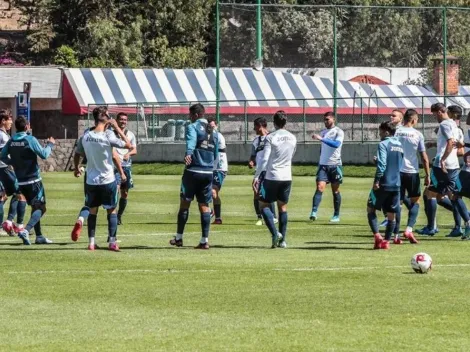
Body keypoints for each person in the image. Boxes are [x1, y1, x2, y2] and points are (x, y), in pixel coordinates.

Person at [74, 106, 131, 251]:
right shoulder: (108, 135)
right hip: (107, 179)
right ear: (104, 116)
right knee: (111, 210)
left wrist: (76, 168)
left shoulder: (86, 135)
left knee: (92, 211)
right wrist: (117, 128)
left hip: (91, 180)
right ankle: (112, 242)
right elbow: (128, 145)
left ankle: (91, 243)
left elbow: (78, 153)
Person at [170, 103, 218, 249]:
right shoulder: (213, 130)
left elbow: (191, 141)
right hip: (208, 172)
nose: (190, 118)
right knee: (204, 206)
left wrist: (189, 153)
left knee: (185, 204)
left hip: (193, 171)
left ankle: (179, 238)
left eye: (191, 115)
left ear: (196, 115)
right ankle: (204, 240)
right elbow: (215, 151)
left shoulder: (193, 127)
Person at [0, 116, 55, 245]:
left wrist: (13, 162)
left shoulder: (12, 140)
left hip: (20, 181)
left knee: (35, 207)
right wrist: (50, 144)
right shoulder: (30, 139)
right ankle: (26, 229)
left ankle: (39, 236)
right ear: (26, 126)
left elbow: (2, 156)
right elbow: (44, 154)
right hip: (34, 180)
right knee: (41, 208)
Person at [424, 103, 470, 239]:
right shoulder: (458, 128)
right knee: (453, 195)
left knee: (430, 194)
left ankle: (431, 227)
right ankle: (461, 224)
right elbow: (455, 145)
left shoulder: (446, 125)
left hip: (446, 166)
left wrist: (443, 159)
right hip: (456, 167)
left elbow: (452, 144)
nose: (467, 118)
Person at [256, 111, 297, 248]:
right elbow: (292, 155)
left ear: (273, 123)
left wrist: (257, 176)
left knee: (263, 204)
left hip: (272, 175)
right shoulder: (292, 137)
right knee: (282, 207)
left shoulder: (270, 137)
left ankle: (275, 234)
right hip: (287, 176)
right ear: (285, 122)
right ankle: (283, 240)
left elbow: (265, 159)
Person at [393, 109, 428, 244]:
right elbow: (424, 157)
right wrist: (427, 174)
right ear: (413, 120)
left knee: (398, 203)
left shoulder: (396, 131)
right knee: (415, 202)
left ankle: (395, 235)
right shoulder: (417, 134)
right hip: (412, 172)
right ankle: (408, 229)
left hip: (398, 172)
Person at [367, 121, 404, 250]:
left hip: (383, 182)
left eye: (381, 131)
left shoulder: (383, 144)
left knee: (370, 208)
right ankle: (387, 242)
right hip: (396, 183)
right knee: (391, 214)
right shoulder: (399, 145)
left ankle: (377, 235)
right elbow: (399, 163)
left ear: (387, 132)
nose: (379, 134)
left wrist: (377, 180)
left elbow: (383, 164)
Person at [310, 111, 344, 222]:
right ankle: (314, 212)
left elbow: (336, 145)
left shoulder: (339, 132)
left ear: (333, 119)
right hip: (323, 165)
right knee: (320, 187)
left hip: (335, 165)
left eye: (328, 119)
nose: (325, 121)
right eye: (324, 119)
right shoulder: (323, 132)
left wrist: (321, 138)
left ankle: (336, 215)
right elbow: (323, 148)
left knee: (335, 191)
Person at [0, 111, 27, 236]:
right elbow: (3, 154)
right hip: (5, 168)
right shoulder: (3, 136)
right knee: (19, 194)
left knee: (4, 196)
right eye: (9, 119)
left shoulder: (4, 134)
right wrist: (15, 162)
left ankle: (6, 224)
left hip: (3, 168)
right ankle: (10, 223)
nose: (11, 122)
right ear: (3, 121)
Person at [250, 118, 277, 226]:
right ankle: (259, 217)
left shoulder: (272, 138)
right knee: (256, 193)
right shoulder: (255, 141)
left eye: (255, 126)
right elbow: (253, 155)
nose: (254, 128)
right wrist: (251, 161)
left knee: (268, 194)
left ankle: (273, 216)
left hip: (269, 170)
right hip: (259, 170)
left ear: (260, 126)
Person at [379, 109, 404, 227]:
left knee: (401, 198)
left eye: (394, 115)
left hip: (402, 168)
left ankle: (393, 223)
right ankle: (391, 221)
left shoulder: (403, 131)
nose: (391, 117)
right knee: (398, 198)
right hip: (395, 167)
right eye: (390, 115)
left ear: (401, 118)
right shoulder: (390, 129)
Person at [114, 112, 137, 225]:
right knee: (115, 190)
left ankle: (119, 216)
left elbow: (134, 150)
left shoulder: (130, 134)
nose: (123, 121)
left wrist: (129, 154)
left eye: (125, 120)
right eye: (121, 119)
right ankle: (112, 214)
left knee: (125, 193)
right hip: (115, 168)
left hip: (126, 167)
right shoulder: (111, 134)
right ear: (117, 120)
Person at [208, 117, 228, 225]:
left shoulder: (217, 136)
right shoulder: (210, 136)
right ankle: (218, 218)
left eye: (213, 126)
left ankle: (211, 212)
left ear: (216, 126)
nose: (212, 129)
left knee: (213, 191)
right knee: (211, 191)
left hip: (219, 167)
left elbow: (214, 151)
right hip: (212, 167)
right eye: (210, 127)